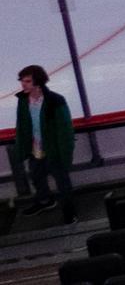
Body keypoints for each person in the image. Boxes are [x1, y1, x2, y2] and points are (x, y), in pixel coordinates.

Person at [10, 66, 76, 222]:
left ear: (38, 82)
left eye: (27, 81)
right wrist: (22, 146)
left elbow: (64, 128)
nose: (23, 84)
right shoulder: (23, 100)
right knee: (36, 176)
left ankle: (69, 211)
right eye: (22, 81)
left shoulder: (55, 100)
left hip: (53, 149)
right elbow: (22, 125)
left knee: (62, 182)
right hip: (35, 148)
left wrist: (64, 153)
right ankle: (45, 201)